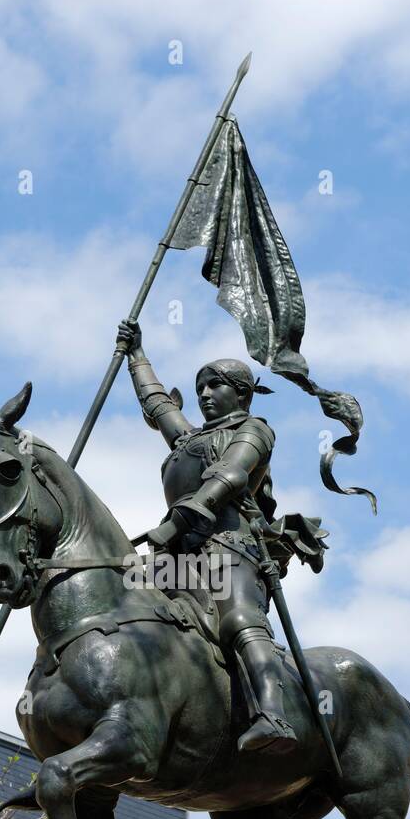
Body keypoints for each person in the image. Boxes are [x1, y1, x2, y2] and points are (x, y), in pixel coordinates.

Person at [116, 317, 325, 754]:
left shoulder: (254, 430)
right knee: (119, 604)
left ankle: (273, 714)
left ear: (242, 393)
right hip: (176, 557)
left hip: (232, 550)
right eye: (200, 390)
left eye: (214, 386)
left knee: (240, 620)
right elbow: (158, 405)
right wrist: (136, 355)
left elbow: (228, 477)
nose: (204, 396)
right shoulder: (190, 439)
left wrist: (177, 521)